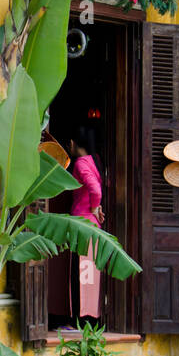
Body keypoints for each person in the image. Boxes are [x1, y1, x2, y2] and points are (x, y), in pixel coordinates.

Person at [67, 127, 103, 322]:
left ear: (72, 143)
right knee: (90, 275)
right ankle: (90, 320)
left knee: (80, 274)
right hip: (92, 225)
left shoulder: (81, 163)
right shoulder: (95, 159)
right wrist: (96, 210)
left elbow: (95, 189)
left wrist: (95, 207)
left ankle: (79, 322)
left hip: (82, 225)